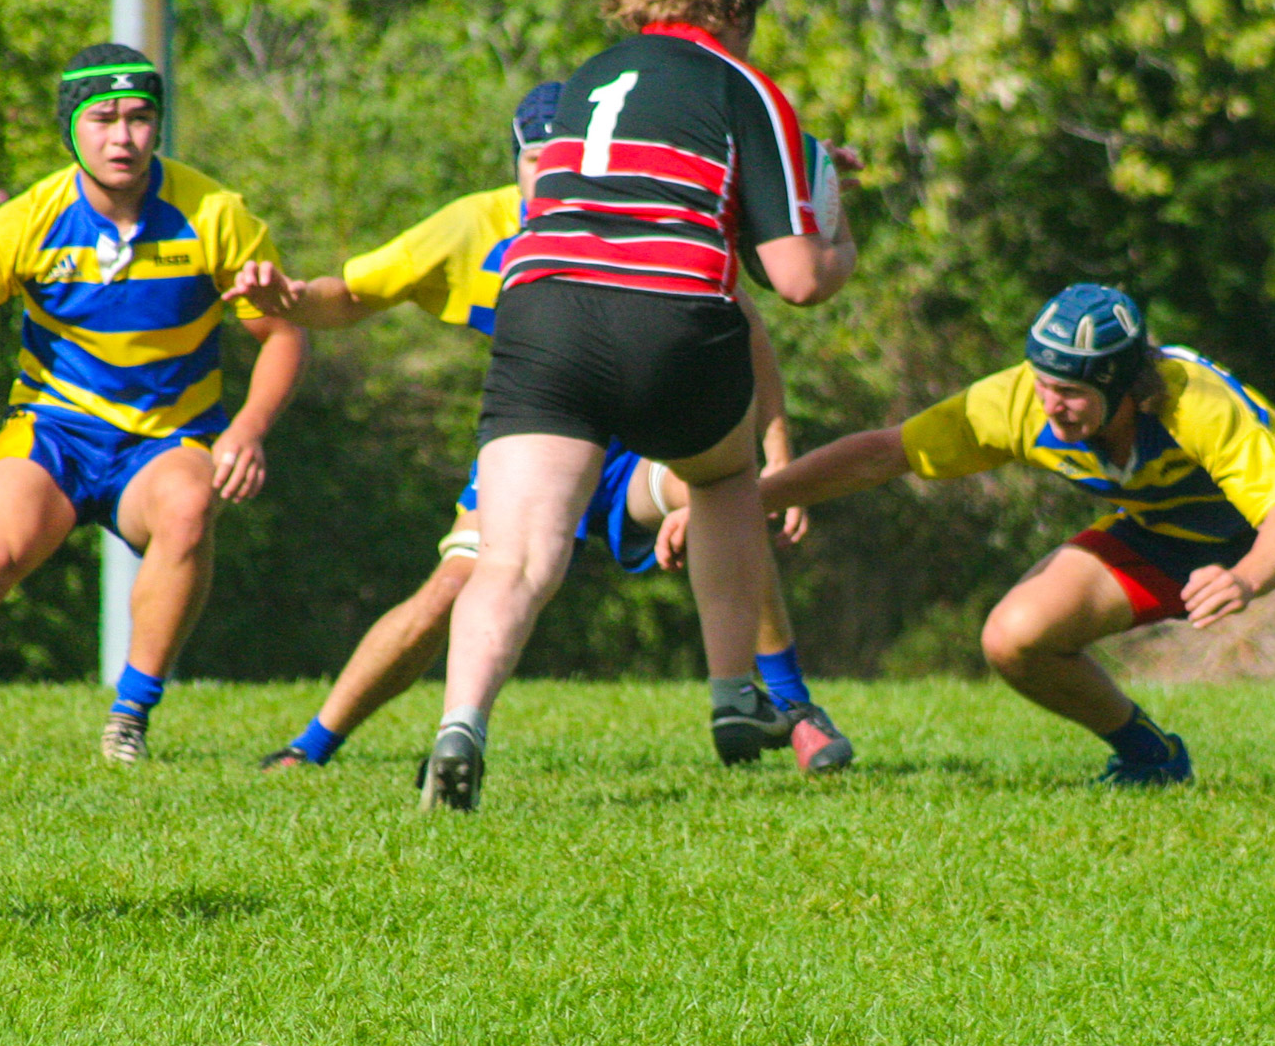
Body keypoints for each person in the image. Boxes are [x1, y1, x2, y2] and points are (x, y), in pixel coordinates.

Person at [666, 284, 1275, 811]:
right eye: (1043, 384)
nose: (1051, 406)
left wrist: (1244, 580)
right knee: (1012, 636)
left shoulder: (1189, 400)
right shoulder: (1019, 403)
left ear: (1123, 386)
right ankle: (1150, 758)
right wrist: (737, 499)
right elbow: (886, 452)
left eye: (1070, 393)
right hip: (1166, 533)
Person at [225, 83, 853, 776]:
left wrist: (777, 455)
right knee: (448, 589)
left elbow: (747, 328)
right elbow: (347, 296)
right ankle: (310, 748)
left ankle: (791, 711)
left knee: (725, 495)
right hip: (534, 447)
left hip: (631, 454)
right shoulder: (474, 227)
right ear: (517, 163)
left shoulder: (649, 213)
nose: (559, 172)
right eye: (539, 159)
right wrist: (290, 296)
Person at [410, 0, 858, 810]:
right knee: (726, 477)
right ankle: (737, 699)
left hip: (540, 315)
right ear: (737, 5)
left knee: (515, 555)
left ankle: (461, 725)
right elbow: (797, 280)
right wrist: (840, 223)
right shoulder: (746, 88)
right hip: (670, 321)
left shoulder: (589, 79)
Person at [0, 43, 307, 766]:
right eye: (103, 119)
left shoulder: (214, 214)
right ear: (70, 128)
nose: (123, 137)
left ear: (159, 128)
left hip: (169, 439)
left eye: (140, 118)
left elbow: (283, 333)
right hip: (54, 432)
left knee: (189, 510)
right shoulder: (30, 219)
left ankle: (129, 721)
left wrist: (249, 429)